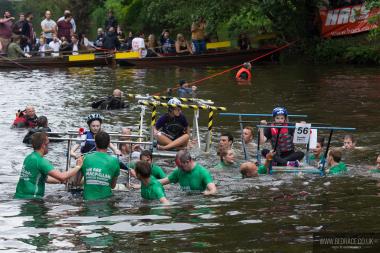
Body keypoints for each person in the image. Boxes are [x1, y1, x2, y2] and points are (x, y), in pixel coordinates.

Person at [14, 132, 83, 199]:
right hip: (33, 199)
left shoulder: (29, 157)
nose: (48, 146)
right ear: (43, 145)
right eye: (48, 144)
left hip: (20, 196)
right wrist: (78, 166)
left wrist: (62, 181)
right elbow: (62, 177)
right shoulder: (40, 161)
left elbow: (44, 178)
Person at [79, 131, 120, 201]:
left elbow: (76, 182)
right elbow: (113, 186)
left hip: (87, 200)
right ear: (108, 144)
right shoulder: (115, 161)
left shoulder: (84, 158)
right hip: (105, 201)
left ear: (95, 143)